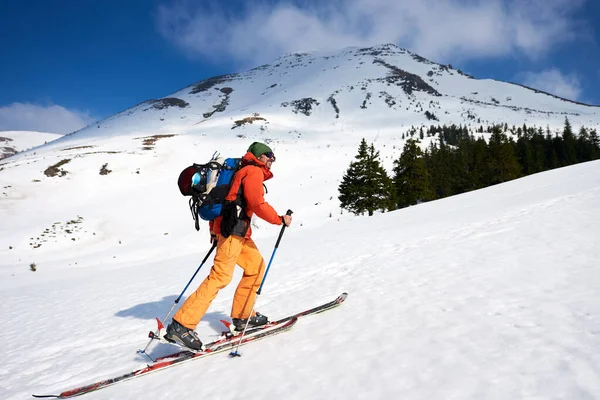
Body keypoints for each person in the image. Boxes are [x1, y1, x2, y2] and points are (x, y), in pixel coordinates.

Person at [165, 142, 293, 350]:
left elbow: (228, 201)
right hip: (232, 230)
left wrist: (214, 231)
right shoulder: (252, 171)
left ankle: (243, 316)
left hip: (237, 231)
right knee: (221, 276)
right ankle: (181, 326)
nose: (272, 160)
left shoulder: (240, 170)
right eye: (269, 155)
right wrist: (279, 219)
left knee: (255, 267)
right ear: (258, 156)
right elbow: (255, 203)